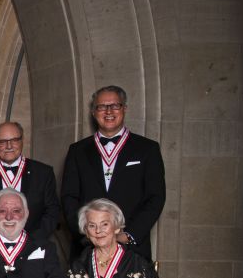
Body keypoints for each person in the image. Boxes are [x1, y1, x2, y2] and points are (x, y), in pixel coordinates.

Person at [61, 85, 166, 260]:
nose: (108, 111)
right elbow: (69, 197)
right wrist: (88, 234)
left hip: (132, 249)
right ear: (94, 112)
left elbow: (155, 197)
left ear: (124, 109)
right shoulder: (77, 151)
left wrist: (129, 235)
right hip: (87, 248)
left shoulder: (147, 149)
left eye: (115, 106)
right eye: (102, 107)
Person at [0, 121, 62, 244]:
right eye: (2, 142)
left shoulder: (43, 173)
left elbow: (52, 212)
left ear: (22, 140)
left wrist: (32, 241)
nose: (9, 146)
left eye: (14, 140)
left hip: (33, 245)